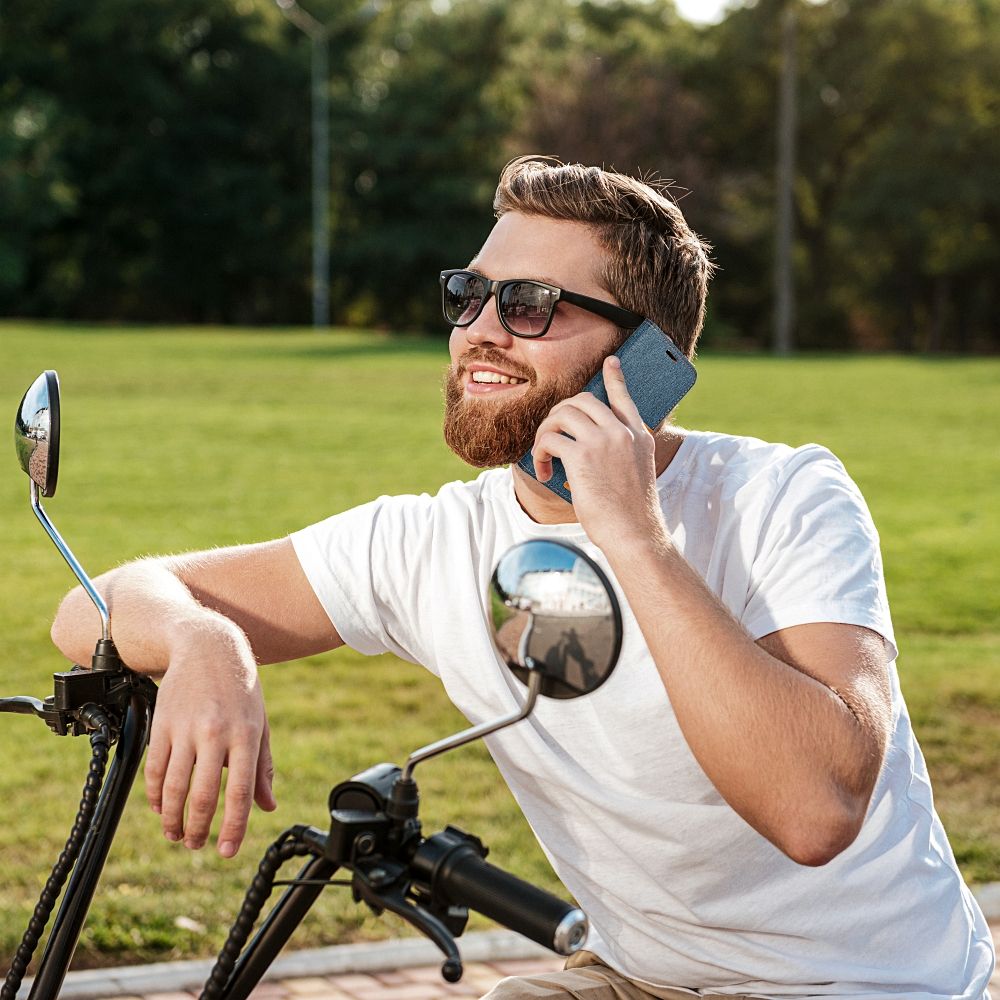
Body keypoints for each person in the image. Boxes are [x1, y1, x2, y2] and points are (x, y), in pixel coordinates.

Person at [51, 156, 994, 1000]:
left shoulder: (784, 496)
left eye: (531, 305)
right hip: (643, 977)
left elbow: (815, 809)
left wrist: (630, 534)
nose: (480, 332)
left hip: (869, 981)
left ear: (650, 358)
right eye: (470, 295)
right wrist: (204, 639)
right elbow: (87, 607)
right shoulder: (430, 541)